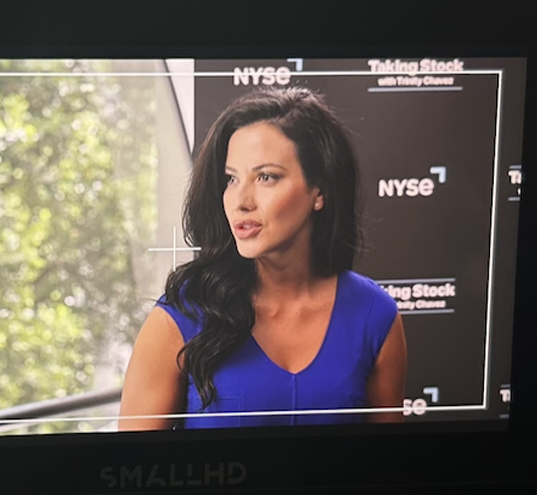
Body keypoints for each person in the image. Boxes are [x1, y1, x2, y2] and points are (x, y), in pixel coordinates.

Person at [119, 87, 406, 430]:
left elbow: (387, 474)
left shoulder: (375, 315)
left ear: (319, 191)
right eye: (231, 179)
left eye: (266, 177)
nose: (240, 200)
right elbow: (135, 473)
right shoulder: (181, 315)